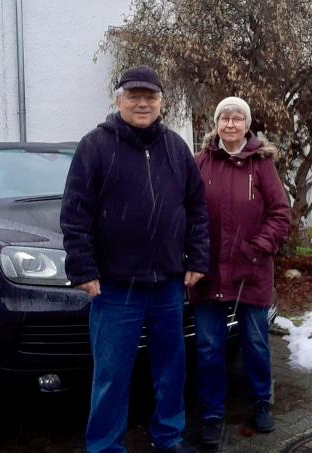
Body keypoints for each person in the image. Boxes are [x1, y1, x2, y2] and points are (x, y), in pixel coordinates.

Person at [61, 66, 209, 453]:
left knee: (171, 369)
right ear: (118, 100)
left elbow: (197, 209)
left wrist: (197, 259)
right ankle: (106, 446)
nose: (142, 103)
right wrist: (83, 267)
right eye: (134, 96)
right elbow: (75, 213)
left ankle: (169, 437)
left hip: (167, 285)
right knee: (111, 373)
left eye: (150, 96)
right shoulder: (95, 146)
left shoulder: (176, 148)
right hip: (114, 287)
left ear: (161, 102)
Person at [190, 96, 291, 448]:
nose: (230, 124)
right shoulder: (200, 163)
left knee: (255, 342)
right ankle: (211, 413)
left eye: (237, 118)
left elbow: (280, 214)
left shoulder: (261, 164)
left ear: (247, 125)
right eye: (224, 118)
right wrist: (192, 256)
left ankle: (261, 402)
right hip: (209, 273)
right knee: (208, 347)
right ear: (216, 124)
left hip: (252, 270)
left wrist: (255, 248)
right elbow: (186, 212)